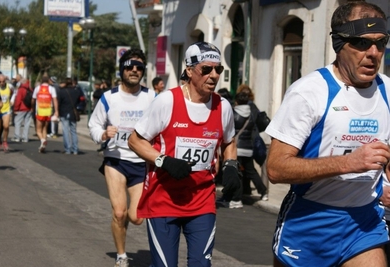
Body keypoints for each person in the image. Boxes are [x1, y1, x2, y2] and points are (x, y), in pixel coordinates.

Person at [265, 2, 390, 266]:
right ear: (339, 44)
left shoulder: (388, 91)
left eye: (381, 43)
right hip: (310, 221)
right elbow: (275, 169)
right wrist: (349, 162)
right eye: (361, 43)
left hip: (364, 223)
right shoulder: (309, 92)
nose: (373, 53)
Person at [128, 41, 240, 267]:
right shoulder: (167, 101)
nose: (214, 75)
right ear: (189, 71)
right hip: (163, 200)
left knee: (201, 264)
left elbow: (229, 142)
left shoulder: (223, 106)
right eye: (206, 69)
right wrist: (163, 160)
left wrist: (231, 165)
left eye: (218, 70)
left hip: (202, 201)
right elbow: (135, 141)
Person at [89, 48, 155, 267]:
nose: (134, 70)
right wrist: (103, 134)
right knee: (119, 212)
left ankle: (123, 222)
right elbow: (94, 124)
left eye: (139, 67)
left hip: (141, 162)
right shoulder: (109, 97)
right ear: (122, 70)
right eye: (129, 66)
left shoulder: (151, 97)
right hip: (115, 160)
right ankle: (121, 255)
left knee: (136, 218)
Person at [58, 77, 85, 155]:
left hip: (64, 112)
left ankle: (68, 149)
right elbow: (81, 101)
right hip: (73, 113)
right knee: (73, 131)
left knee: (65, 130)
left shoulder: (62, 92)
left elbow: (59, 102)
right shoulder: (77, 91)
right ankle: (75, 149)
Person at [32, 75, 59, 153]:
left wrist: (32, 107)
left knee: (38, 130)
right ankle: (43, 146)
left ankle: (42, 140)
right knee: (45, 129)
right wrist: (56, 111)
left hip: (39, 111)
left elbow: (33, 99)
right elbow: (55, 100)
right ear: (48, 81)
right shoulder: (51, 89)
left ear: (41, 81)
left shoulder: (37, 88)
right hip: (48, 112)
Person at [0, 74, 13, 152]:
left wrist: (12, 100)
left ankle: (5, 141)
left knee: (6, 126)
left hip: (6, 109)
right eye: (0, 81)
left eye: (3, 81)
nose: (2, 83)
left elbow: (14, 93)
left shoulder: (9, 86)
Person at [12, 78, 33, 142]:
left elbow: (18, 100)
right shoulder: (31, 89)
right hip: (29, 108)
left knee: (17, 122)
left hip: (21, 108)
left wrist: (15, 109)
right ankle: (25, 138)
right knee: (27, 123)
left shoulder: (21, 89)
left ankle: (17, 137)